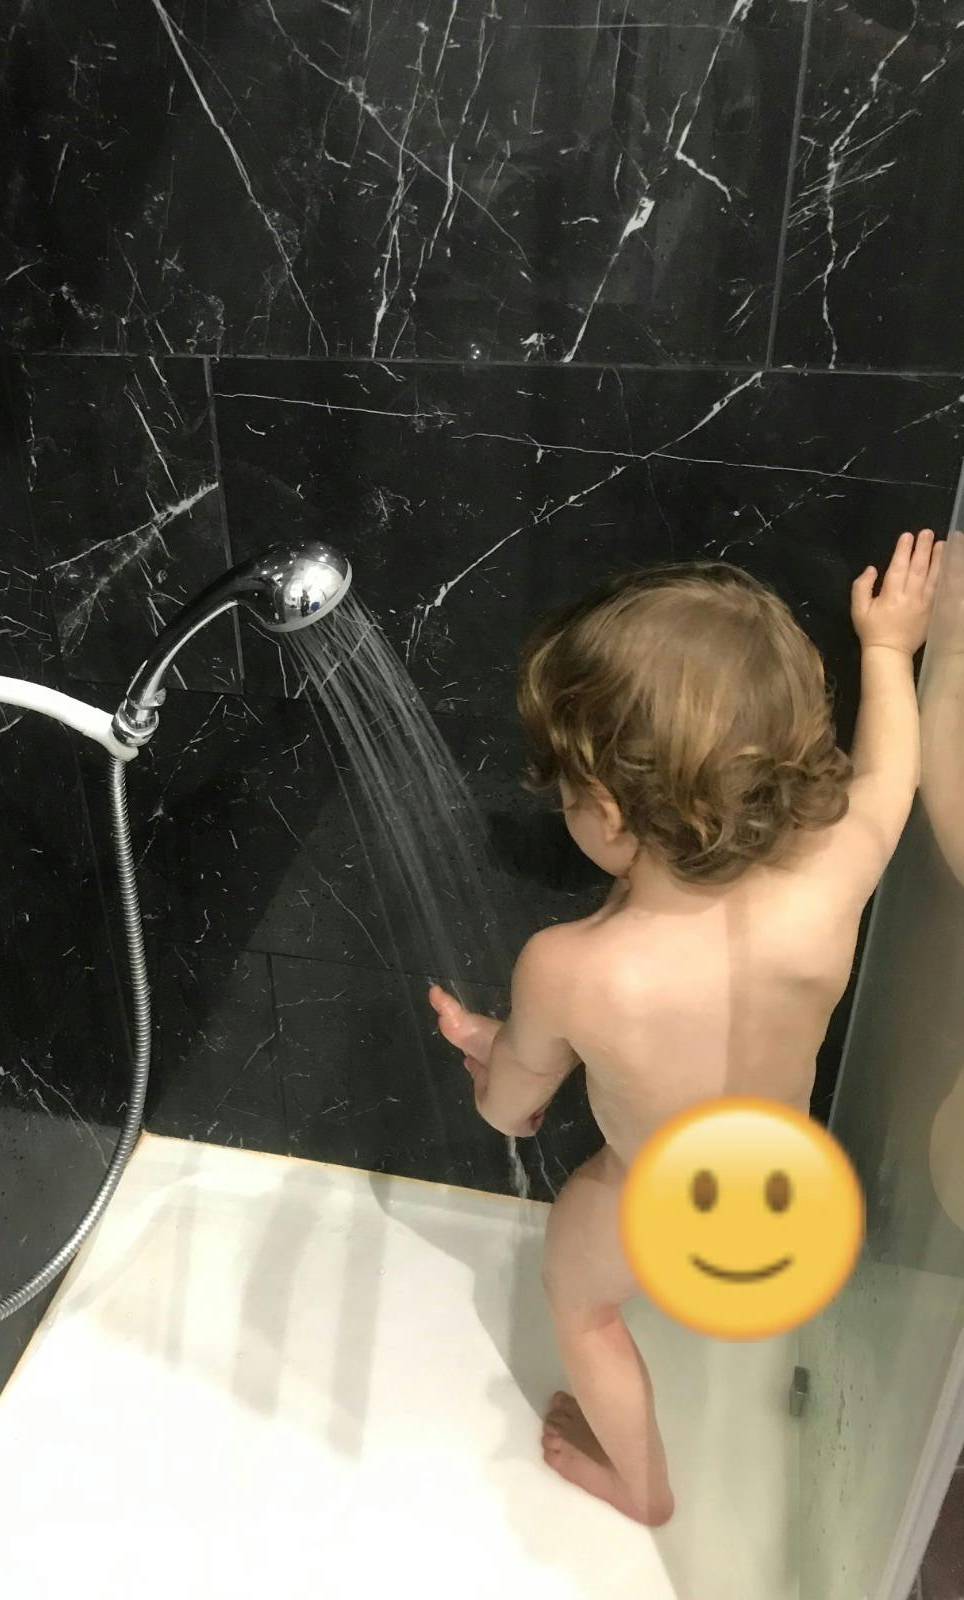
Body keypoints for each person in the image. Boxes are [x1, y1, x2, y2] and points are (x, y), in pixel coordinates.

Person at [430, 530, 942, 1526]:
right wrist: (889, 649)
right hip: (798, 1209)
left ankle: (642, 1487)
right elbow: (892, 777)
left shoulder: (571, 967)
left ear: (609, 812)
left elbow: (511, 1107)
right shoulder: (832, 879)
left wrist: (496, 1058)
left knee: (580, 1303)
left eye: (567, 792)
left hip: (661, 1216)